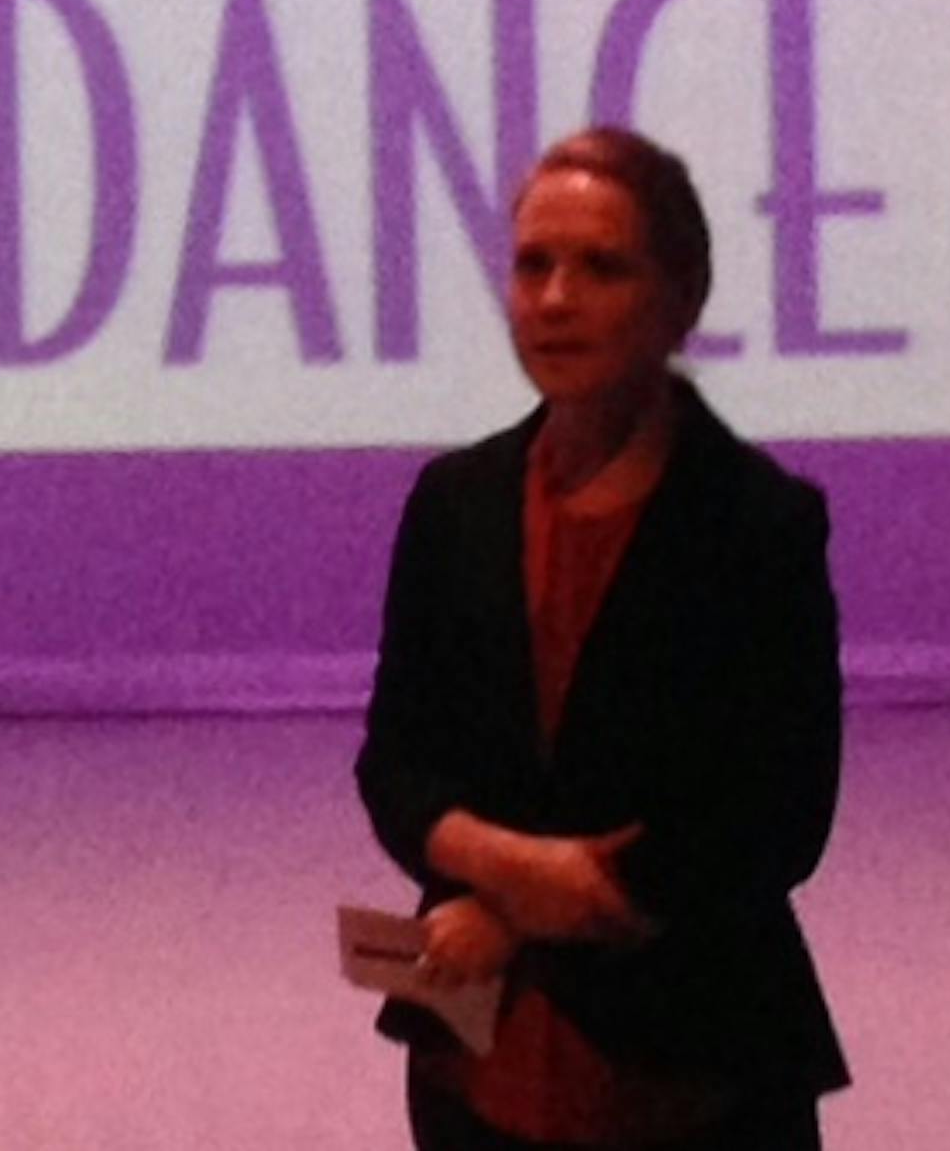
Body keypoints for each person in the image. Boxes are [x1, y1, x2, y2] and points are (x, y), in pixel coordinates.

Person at [355, 127, 849, 1150]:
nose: (555, 298)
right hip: (473, 1077)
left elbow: (775, 817)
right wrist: (504, 863)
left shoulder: (760, 523)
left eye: (602, 267)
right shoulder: (453, 502)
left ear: (682, 298)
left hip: (693, 1079)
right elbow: (396, 761)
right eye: (533, 264)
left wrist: (514, 913)